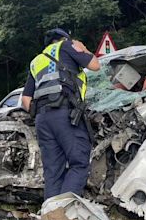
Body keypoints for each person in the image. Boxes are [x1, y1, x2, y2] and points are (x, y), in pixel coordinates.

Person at [22, 28, 100, 200]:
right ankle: (64, 213)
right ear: (65, 39)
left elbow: (26, 99)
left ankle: (50, 218)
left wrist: (42, 114)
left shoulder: (36, 61)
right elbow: (95, 65)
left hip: (42, 120)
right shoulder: (66, 46)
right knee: (79, 163)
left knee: (53, 172)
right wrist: (83, 48)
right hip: (65, 115)